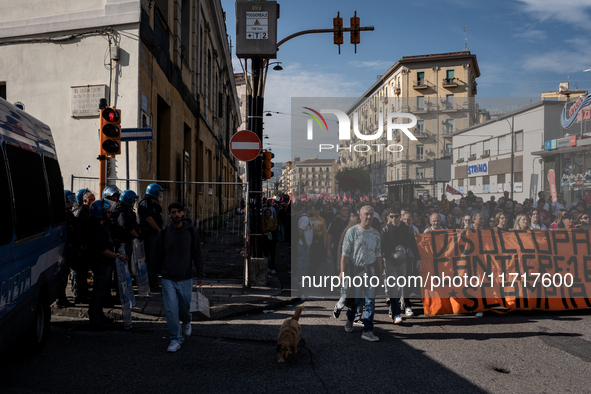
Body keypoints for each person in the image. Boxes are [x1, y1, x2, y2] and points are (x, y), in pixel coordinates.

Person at [153, 203, 205, 353]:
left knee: (184, 308)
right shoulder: (163, 233)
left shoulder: (191, 231)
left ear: (183, 213)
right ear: (169, 214)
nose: (176, 215)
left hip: (185, 277)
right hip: (168, 277)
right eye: (173, 212)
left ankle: (187, 321)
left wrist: (200, 274)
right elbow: (157, 255)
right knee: (171, 309)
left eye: (178, 212)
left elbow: (197, 253)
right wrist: (153, 276)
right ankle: (175, 339)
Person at [341, 205, 382, 342]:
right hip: (356, 272)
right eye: (366, 214)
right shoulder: (352, 232)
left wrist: (380, 274)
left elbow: (378, 255)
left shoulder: (376, 233)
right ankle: (350, 318)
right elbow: (345, 254)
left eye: (371, 214)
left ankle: (368, 330)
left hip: (370, 272)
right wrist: (342, 271)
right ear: (360, 215)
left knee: (370, 302)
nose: (369, 217)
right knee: (356, 301)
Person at [86, 199, 128, 328]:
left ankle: (100, 315)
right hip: (100, 263)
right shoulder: (95, 228)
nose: (110, 214)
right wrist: (117, 255)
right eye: (107, 212)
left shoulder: (104, 225)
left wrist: (118, 250)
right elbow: (102, 250)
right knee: (98, 291)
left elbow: (111, 242)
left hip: (106, 263)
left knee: (102, 290)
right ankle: (94, 318)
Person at [381, 208, 421, 324]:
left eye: (396, 216)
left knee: (400, 287)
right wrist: (392, 250)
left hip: (403, 260)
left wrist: (418, 259)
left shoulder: (407, 229)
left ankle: (392, 308)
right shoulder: (385, 229)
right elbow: (382, 247)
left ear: (400, 217)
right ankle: (396, 313)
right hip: (389, 260)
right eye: (392, 216)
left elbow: (413, 245)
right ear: (388, 217)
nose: (394, 219)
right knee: (393, 286)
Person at [332, 214, 360, 319]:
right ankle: (338, 306)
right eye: (358, 221)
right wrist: (340, 266)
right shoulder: (346, 234)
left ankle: (357, 316)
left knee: (357, 293)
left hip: (358, 268)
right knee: (345, 293)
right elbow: (340, 251)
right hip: (348, 267)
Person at [139, 183, 164, 291]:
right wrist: (159, 231)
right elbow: (149, 219)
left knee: (157, 257)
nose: (160, 195)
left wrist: (162, 230)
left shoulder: (156, 205)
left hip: (156, 234)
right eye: (159, 193)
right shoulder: (145, 204)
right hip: (149, 234)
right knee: (151, 258)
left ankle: (155, 279)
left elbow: (159, 218)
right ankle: (151, 281)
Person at [56, 190, 78, 308]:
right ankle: (60, 298)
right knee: (62, 275)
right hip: (62, 250)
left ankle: (62, 297)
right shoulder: (60, 215)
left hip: (69, 248)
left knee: (66, 273)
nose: (71, 203)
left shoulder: (69, 213)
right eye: (68, 201)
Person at [115, 190, 140, 261]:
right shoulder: (122, 211)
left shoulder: (129, 211)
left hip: (131, 241)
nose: (134, 202)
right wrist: (137, 236)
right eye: (133, 200)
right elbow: (126, 226)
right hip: (125, 242)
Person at [327, 205, 351, 273]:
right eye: (344, 210)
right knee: (338, 266)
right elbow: (330, 236)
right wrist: (328, 249)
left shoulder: (351, 222)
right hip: (337, 247)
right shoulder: (335, 222)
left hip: (350, 248)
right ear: (340, 212)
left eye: (347, 210)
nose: (346, 212)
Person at [297, 204, 314, 298]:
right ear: (309, 210)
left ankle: (302, 279)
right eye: (313, 210)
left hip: (306, 244)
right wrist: (304, 242)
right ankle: (301, 280)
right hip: (304, 245)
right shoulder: (305, 219)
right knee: (302, 262)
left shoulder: (306, 218)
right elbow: (300, 230)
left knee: (305, 262)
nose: (314, 211)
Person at [262, 208, 277, 275]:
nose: (267, 214)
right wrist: (270, 229)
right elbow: (263, 230)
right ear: (264, 214)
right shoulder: (263, 221)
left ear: (270, 214)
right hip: (265, 239)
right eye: (266, 213)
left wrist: (268, 229)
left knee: (272, 253)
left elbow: (275, 228)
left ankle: (272, 267)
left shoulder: (273, 220)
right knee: (266, 253)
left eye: (269, 213)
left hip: (272, 239)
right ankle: (267, 266)